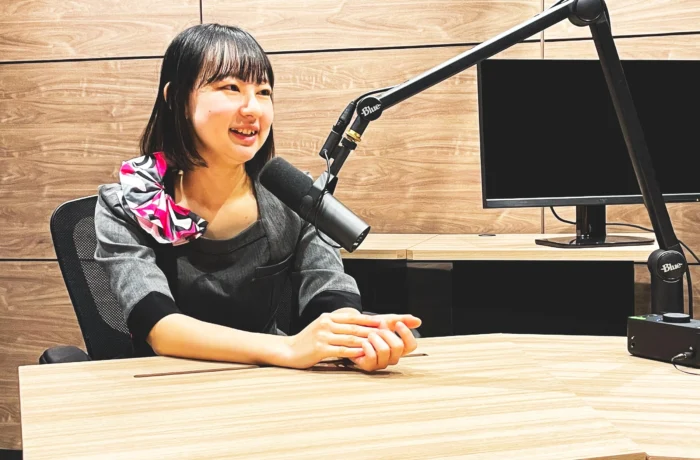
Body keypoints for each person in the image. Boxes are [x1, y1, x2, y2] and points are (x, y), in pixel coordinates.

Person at [94, 23, 421, 372]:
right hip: (166, 385)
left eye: (264, 92)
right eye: (230, 88)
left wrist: (353, 338)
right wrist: (288, 348)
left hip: (268, 383)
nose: (253, 108)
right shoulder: (127, 204)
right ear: (177, 99)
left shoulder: (292, 196)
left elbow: (326, 283)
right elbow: (159, 326)